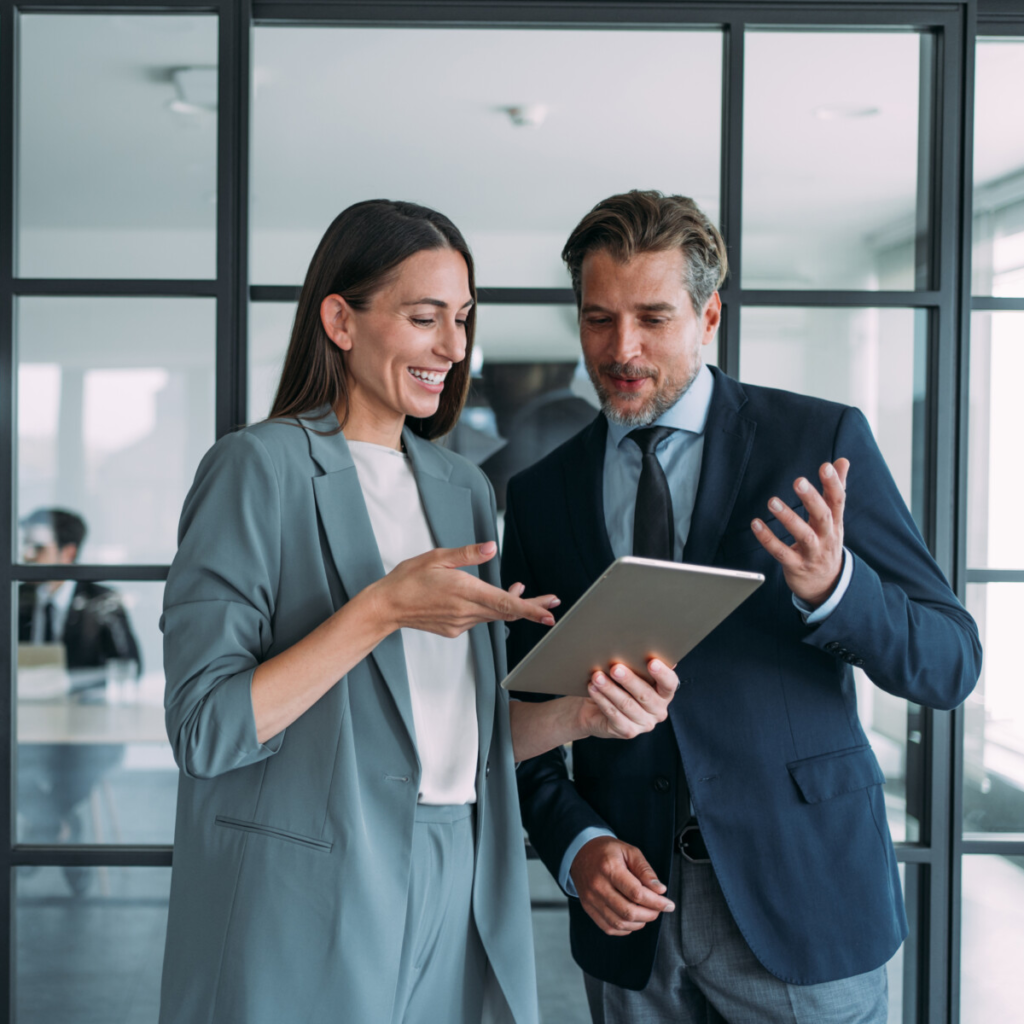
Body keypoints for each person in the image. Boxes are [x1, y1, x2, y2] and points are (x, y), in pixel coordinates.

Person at [157, 199, 680, 1024]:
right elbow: (205, 729)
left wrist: (581, 715)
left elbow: (463, 737)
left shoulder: (462, 488)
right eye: (425, 317)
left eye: (463, 319)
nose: (453, 347)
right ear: (340, 318)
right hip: (308, 888)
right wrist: (382, 609)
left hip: (462, 871)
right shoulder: (255, 470)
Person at [503, 190, 983, 1024]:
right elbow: (519, 720)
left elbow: (950, 661)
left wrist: (837, 590)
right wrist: (577, 848)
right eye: (598, 319)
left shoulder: (819, 442)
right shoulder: (541, 496)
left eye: (653, 317)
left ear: (709, 314)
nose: (623, 348)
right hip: (632, 928)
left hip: (805, 904)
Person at [18, 507, 141, 893]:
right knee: (9, 765)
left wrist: (68, 681)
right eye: (25, 546)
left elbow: (130, 667)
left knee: (74, 766)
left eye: (37, 548)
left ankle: (46, 830)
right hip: (30, 727)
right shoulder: (17, 595)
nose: (26, 557)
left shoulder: (102, 601)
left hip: (88, 731)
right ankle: (66, 828)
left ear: (68, 553)